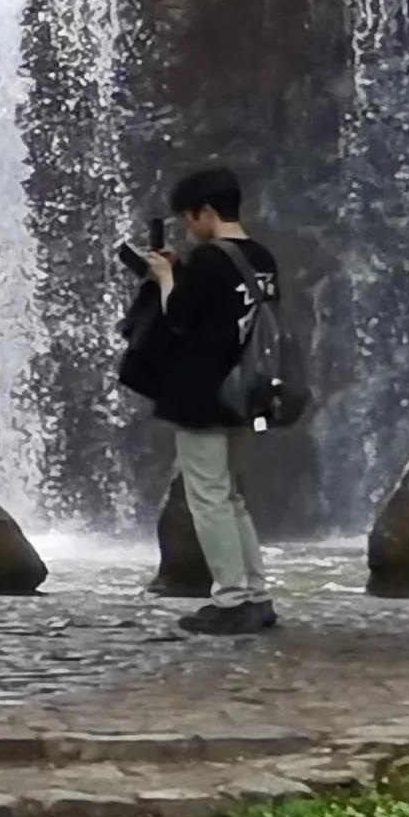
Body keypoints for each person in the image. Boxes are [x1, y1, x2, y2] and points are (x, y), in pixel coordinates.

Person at [121, 164, 281, 636]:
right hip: (246, 393)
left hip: (203, 392)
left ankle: (231, 599)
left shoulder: (213, 259)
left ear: (207, 212)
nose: (190, 228)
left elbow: (179, 318)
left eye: (191, 219)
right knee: (232, 496)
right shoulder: (263, 258)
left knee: (208, 497)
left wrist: (165, 275)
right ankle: (256, 594)